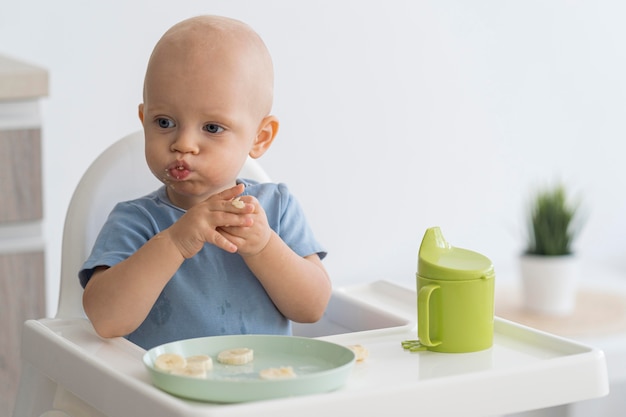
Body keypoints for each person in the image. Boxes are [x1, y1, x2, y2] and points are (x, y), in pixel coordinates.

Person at [79, 15, 331, 350]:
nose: (183, 144)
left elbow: (312, 308)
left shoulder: (276, 208)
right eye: (164, 122)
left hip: (262, 394)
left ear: (260, 137)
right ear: (144, 121)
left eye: (212, 128)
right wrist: (176, 242)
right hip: (164, 396)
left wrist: (264, 246)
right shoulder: (136, 222)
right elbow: (105, 319)